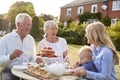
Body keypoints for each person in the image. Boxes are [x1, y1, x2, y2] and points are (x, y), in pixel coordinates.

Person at [0, 13, 42, 80]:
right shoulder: (5, 39)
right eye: (27, 24)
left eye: (30, 25)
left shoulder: (31, 39)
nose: (29, 27)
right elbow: (0, 62)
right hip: (9, 71)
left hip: (27, 71)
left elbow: (33, 57)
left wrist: (36, 59)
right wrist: (10, 56)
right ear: (19, 24)